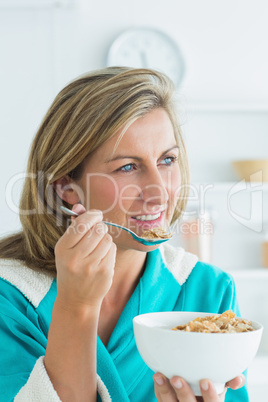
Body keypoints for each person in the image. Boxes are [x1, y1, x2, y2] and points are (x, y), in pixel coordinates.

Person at [0, 67, 248, 402]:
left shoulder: (209, 293)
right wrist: (77, 306)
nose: (159, 193)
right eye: (127, 167)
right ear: (66, 188)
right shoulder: (12, 299)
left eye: (167, 160)